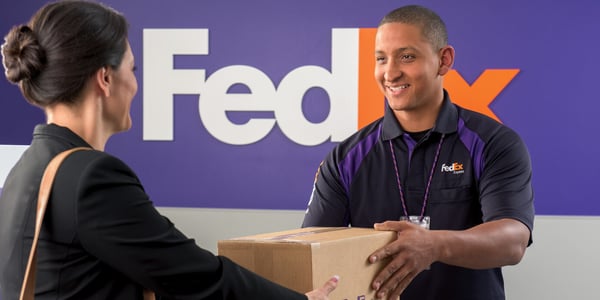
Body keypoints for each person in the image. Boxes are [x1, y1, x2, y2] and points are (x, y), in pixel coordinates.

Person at [0, 1, 339, 299]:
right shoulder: (92, 176)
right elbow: (194, 276)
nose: (135, 84)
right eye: (132, 69)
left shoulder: (27, 168)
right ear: (104, 78)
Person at [302, 4, 534, 300]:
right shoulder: (345, 158)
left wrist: (434, 245)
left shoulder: (494, 143)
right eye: (381, 59)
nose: (391, 72)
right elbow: (313, 249)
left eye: (407, 57)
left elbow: (513, 242)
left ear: (443, 60)